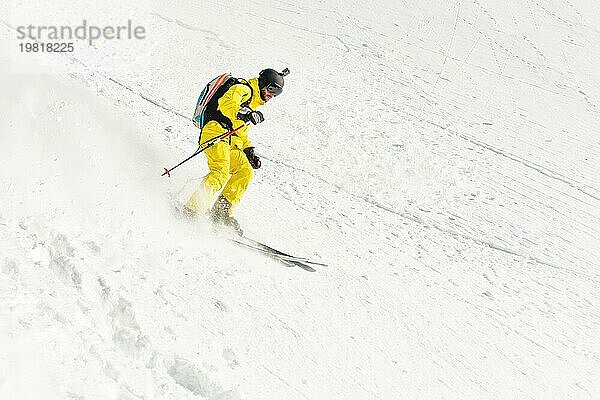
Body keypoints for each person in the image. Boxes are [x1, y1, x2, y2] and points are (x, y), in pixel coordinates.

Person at [184, 68, 288, 235]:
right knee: (220, 173)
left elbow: (241, 132)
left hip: (231, 141)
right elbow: (227, 104)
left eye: (276, 93)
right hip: (216, 132)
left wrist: (249, 151)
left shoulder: (253, 102)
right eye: (271, 90)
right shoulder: (243, 88)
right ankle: (191, 210)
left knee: (245, 171)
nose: (271, 96)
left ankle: (220, 212)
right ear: (263, 84)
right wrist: (245, 114)